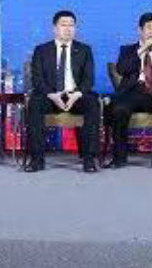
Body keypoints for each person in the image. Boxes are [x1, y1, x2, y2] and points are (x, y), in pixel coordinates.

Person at [26, 10, 99, 173]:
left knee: (92, 103)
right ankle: (37, 159)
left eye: (71, 25)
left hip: (76, 95)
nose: (68, 29)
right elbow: (37, 80)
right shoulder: (41, 50)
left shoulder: (84, 50)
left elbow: (89, 80)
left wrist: (76, 94)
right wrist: (52, 95)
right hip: (50, 95)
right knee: (35, 104)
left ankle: (89, 158)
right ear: (54, 28)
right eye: (63, 25)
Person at [106, 12, 152, 170]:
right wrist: (141, 51)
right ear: (140, 30)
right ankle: (119, 158)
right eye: (149, 27)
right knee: (118, 110)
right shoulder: (127, 50)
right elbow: (121, 69)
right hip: (130, 94)